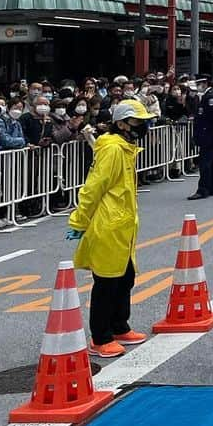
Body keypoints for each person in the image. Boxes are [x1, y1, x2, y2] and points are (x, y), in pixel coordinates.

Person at [65, 99, 153, 358]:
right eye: (138, 122)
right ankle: (100, 336)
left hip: (122, 225)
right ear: (122, 123)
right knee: (106, 282)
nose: (142, 127)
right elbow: (94, 187)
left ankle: (119, 326)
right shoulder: (113, 150)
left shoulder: (124, 147)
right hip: (108, 225)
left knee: (125, 278)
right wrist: (79, 221)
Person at [189, 78, 213, 200]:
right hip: (211, 133)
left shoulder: (210, 97)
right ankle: (212, 188)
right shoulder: (207, 96)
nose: (198, 87)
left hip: (208, 134)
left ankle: (203, 189)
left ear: (204, 84)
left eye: (199, 84)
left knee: (206, 163)